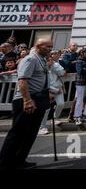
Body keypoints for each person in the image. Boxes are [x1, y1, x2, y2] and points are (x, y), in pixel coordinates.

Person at [0, 38, 53, 169]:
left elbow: (41, 79)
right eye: (47, 47)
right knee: (18, 133)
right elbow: (22, 80)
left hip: (39, 99)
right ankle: (5, 163)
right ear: (38, 46)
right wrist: (27, 100)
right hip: (27, 100)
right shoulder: (30, 59)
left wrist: (48, 93)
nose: (50, 49)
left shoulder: (42, 60)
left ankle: (19, 160)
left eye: (51, 47)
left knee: (30, 134)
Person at [39, 50, 66, 135]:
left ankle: (55, 118)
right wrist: (52, 90)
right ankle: (42, 127)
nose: (49, 62)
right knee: (46, 109)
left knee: (61, 104)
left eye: (50, 60)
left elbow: (62, 73)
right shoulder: (42, 68)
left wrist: (54, 66)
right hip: (47, 90)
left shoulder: (56, 65)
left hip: (58, 89)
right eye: (47, 60)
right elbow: (43, 82)